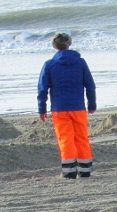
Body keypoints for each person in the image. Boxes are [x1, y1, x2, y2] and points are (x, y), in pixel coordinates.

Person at [37, 32, 96, 179]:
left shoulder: (49, 64)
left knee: (65, 139)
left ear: (54, 46)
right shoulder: (80, 62)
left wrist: (41, 108)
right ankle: (85, 170)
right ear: (69, 43)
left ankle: (69, 171)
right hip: (78, 106)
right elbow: (90, 85)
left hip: (59, 108)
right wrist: (92, 104)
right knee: (81, 137)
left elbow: (42, 88)